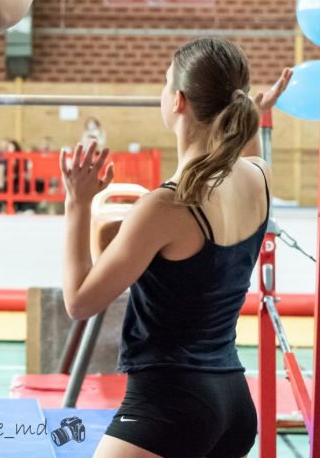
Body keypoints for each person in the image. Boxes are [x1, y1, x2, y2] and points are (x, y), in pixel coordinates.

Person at [60, 37, 292, 458]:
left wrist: (77, 203)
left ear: (179, 101)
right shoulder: (260, 177)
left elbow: (79, 302)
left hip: (170, 404)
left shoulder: (167, 205)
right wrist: (255, 113)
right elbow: (244, 151)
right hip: (233, 404)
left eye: (166, 83)